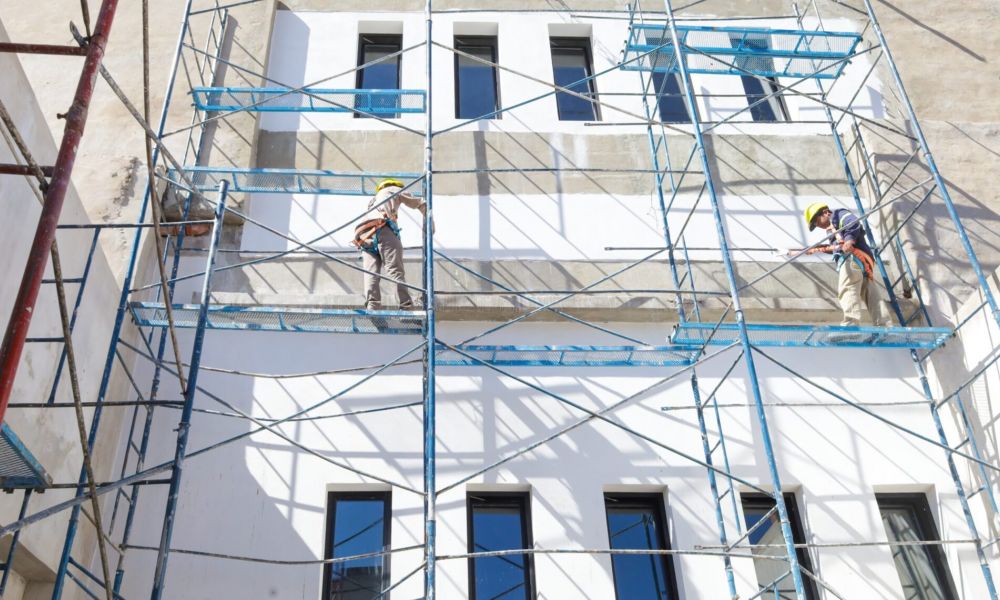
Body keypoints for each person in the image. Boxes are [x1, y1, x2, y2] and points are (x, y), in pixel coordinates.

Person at [803, 202, 889, 327]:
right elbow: (837, 247)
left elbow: (853, 222)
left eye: (816, 222)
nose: (818, 226)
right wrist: (815, 248)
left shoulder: (838, 214)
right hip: (863, 263)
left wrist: (849, 239)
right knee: (871, 296)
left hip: (852, 258)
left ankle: (851, 325)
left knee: (847, 288)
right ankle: (885, 327)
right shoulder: (832, 230)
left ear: (825, 213)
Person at [353, 179, 427, 311]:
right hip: (381, 228)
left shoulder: (373, 201)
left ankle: (373, 305)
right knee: (394, 269)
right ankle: (406, 305)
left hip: (363, 234)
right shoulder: (392, 189)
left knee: (371, 272)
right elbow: (418, 203)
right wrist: (428, 214)